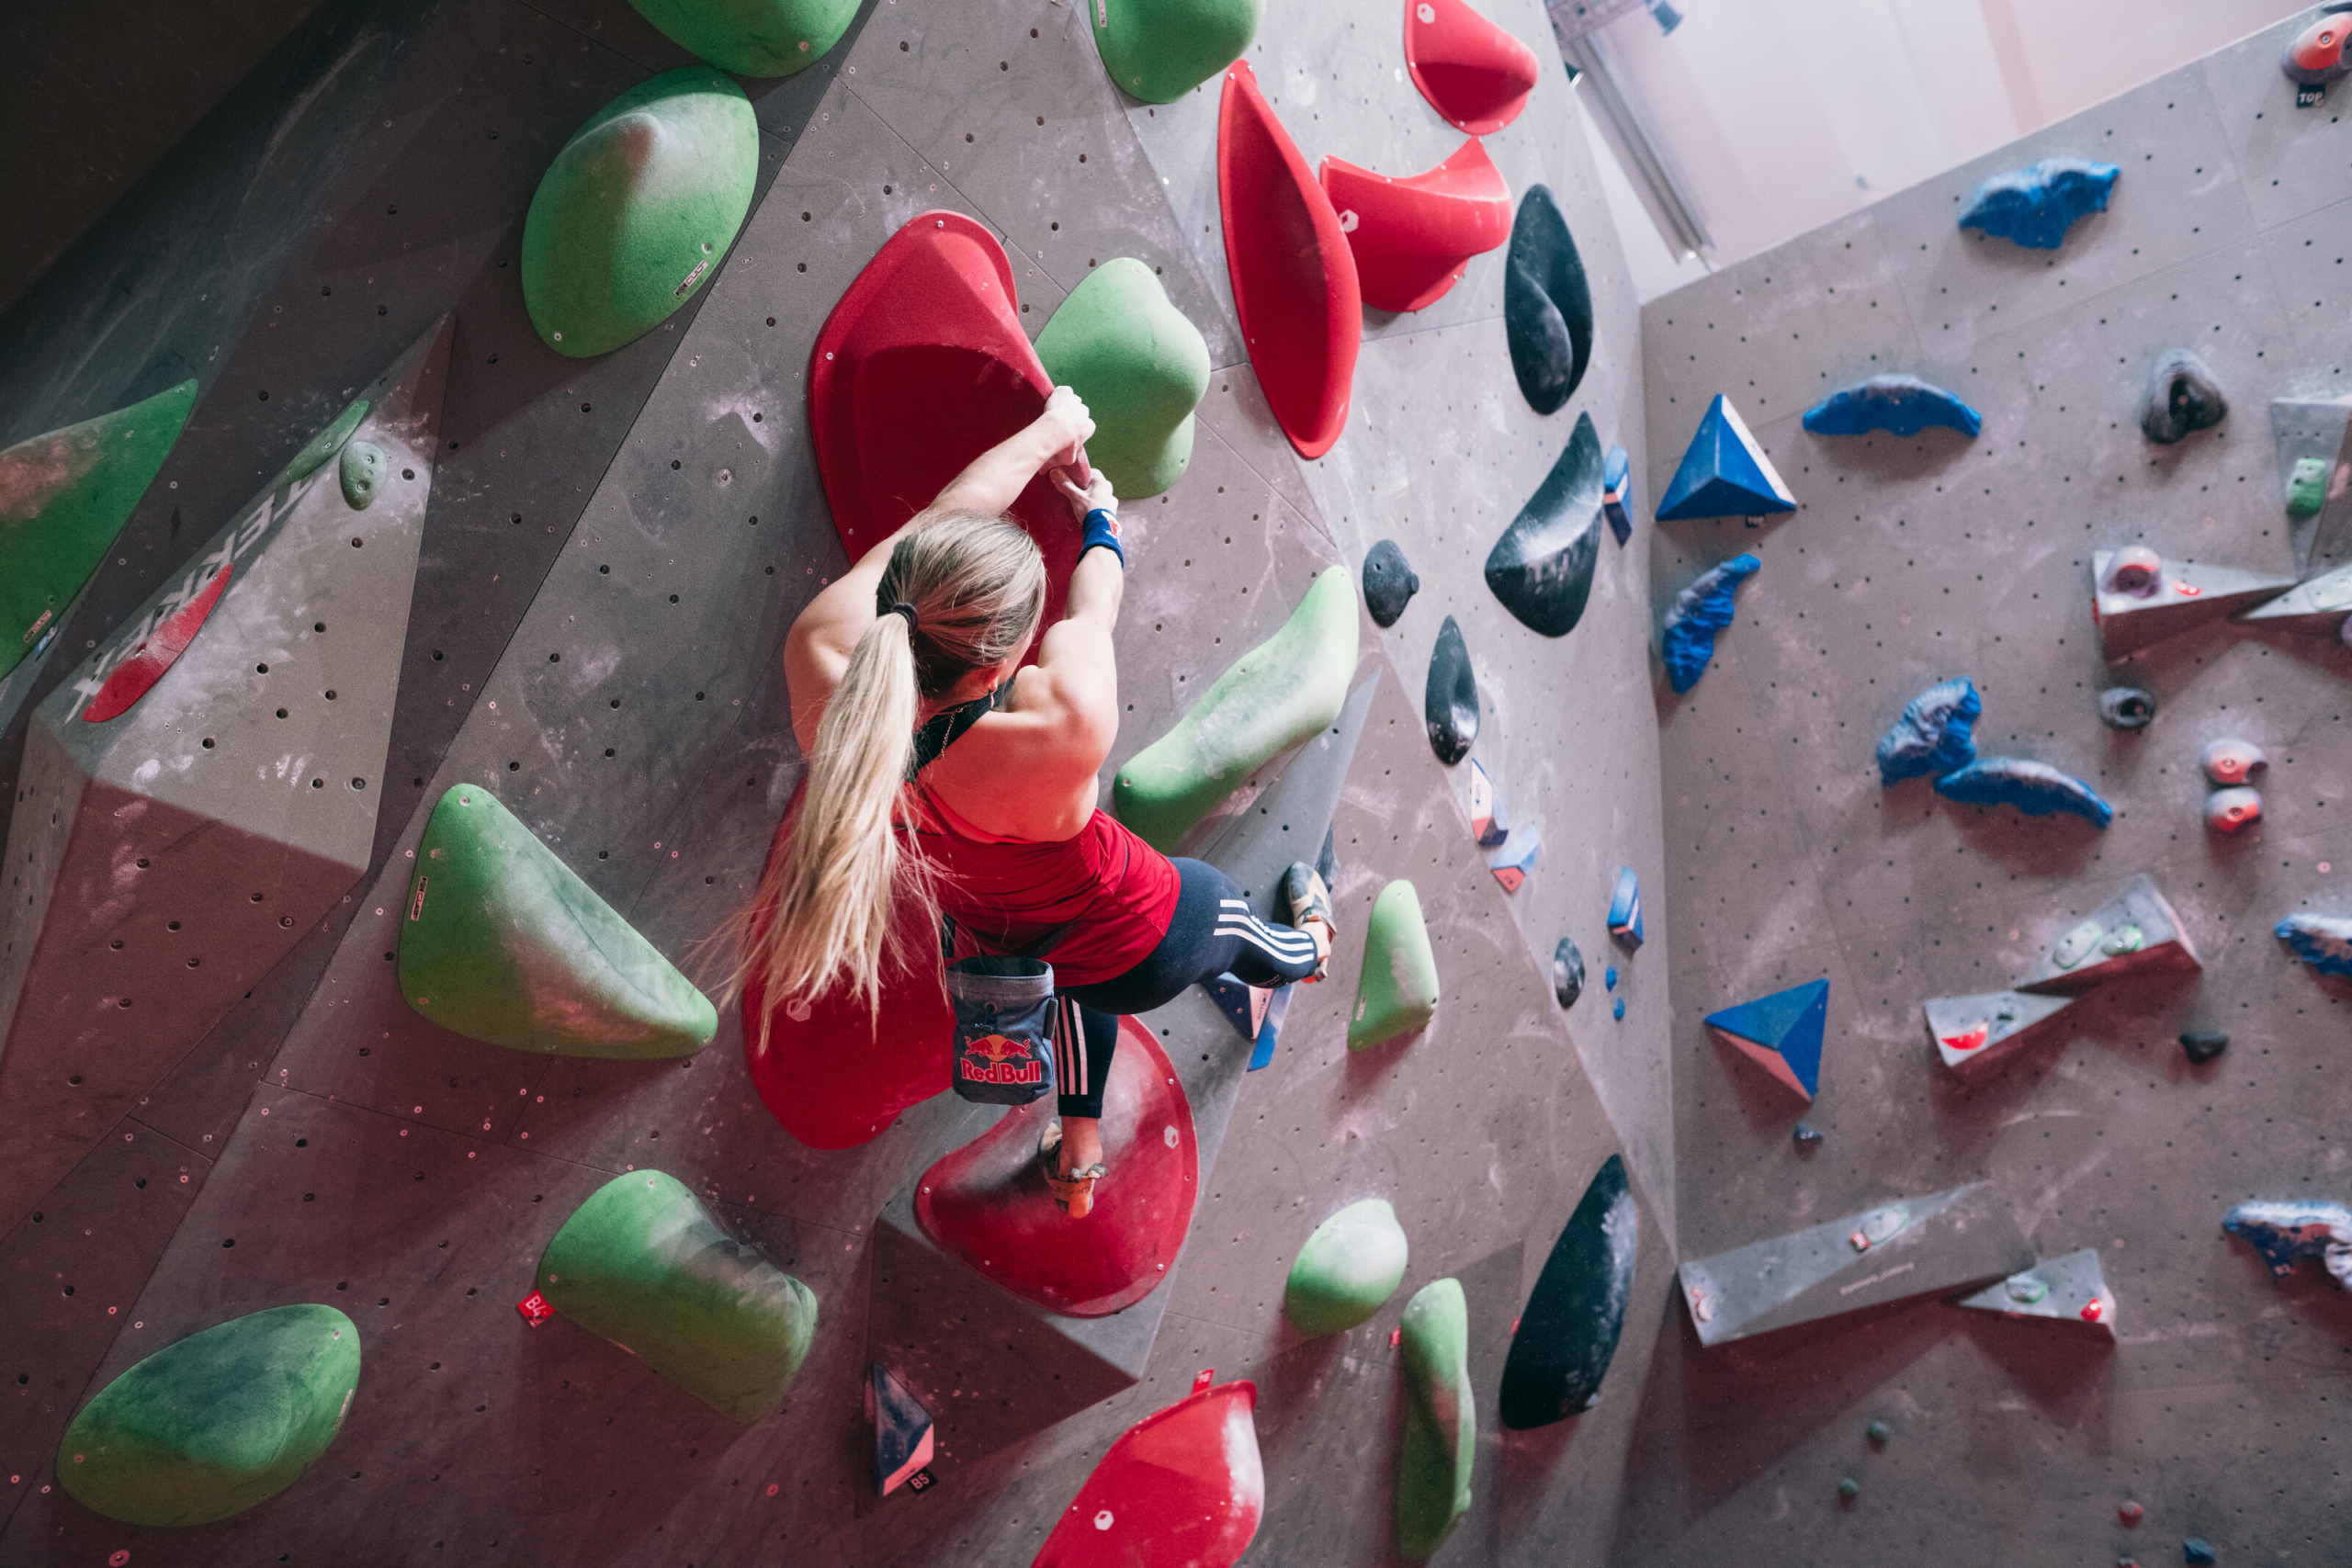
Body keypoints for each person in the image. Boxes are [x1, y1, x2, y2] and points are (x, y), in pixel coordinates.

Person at [737, 387, 1334, 1218]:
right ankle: (1311, 946)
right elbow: (1095, 606)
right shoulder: (1057, 729)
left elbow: (950, 513)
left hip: (1003, 937)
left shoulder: (825, 651)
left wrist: (1050, 429)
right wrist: (1100, 521)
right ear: (995, 673)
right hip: (1145, 934)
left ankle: (1080, 1149)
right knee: (1238, 928)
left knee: (1074, 987)